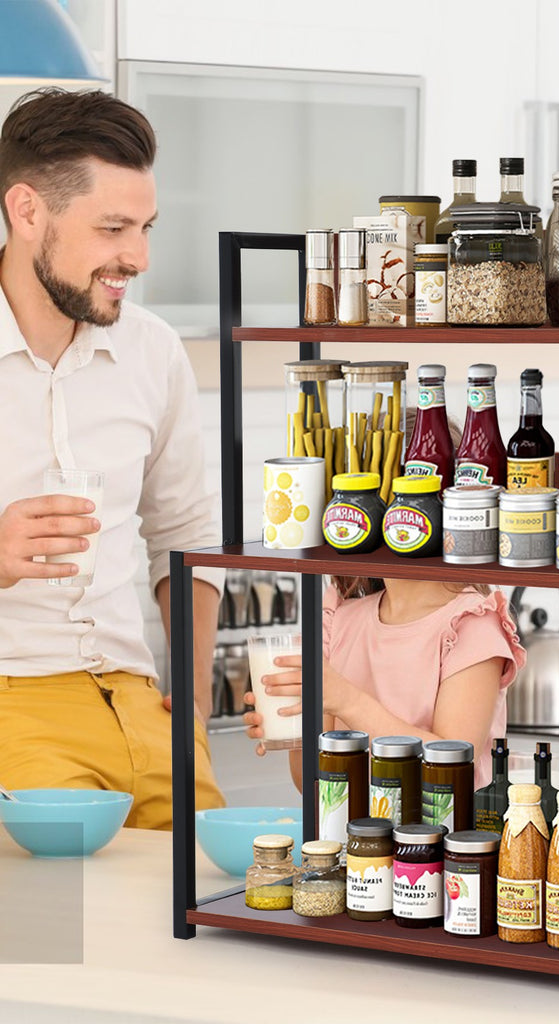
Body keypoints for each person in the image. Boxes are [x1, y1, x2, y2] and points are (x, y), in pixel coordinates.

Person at [0, 88, 225, 828]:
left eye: (146, 227)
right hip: (16, 697)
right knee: (66, 930)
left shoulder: (151, 350)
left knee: (226, 907)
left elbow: (185, 533)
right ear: (27, 211)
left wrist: (191, 699)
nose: (138, 257)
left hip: (141, 698)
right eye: (113, 228)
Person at [244, 575, 525, 789]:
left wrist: (347, 701)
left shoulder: (473, 623)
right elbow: (313, 783)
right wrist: (293, 726)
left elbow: (449, 770)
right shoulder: (340, 619)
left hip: (444, 852)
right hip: (354, 849)